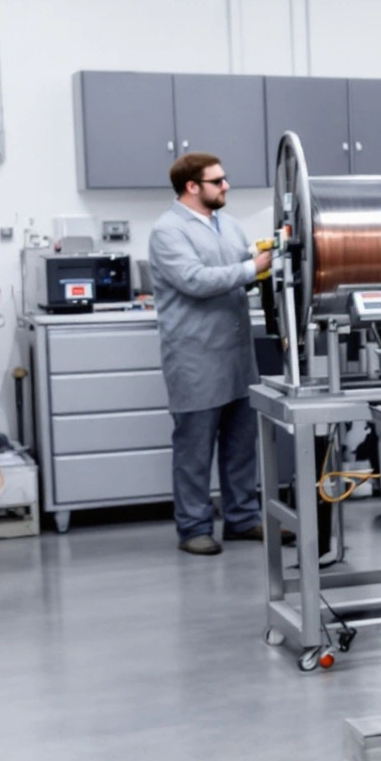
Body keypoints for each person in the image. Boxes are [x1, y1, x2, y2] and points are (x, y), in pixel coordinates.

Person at [148, 152, 271, 554]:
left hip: (237, 356)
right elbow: (195, 281)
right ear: (192, 187)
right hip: (195, 358)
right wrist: (253, 268)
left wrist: (266, 266)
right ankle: (194, 528)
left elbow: (239, 277)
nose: (226, 186)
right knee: (195, 450)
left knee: (241, 445)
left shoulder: (228, 225)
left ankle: (242, 519)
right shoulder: (168, 231)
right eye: (217, 181)